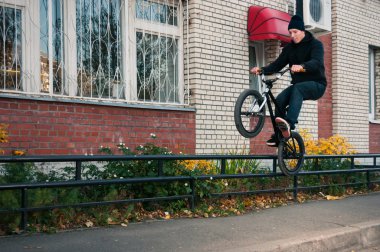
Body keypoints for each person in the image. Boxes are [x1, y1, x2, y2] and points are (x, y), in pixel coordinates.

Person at [250, 14, 327, 146]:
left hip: (317, 85)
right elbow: (277, 65)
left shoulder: (315, 45)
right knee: (279, 100)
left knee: (298, 88)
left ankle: (289, 123)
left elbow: (317, 63)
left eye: (295, 32)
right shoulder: (289, 49)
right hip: (299, 86)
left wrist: (302, 66)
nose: (292, 35)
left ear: (302, 31)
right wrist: (262, 70)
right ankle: (281, 136)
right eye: (290, 32)